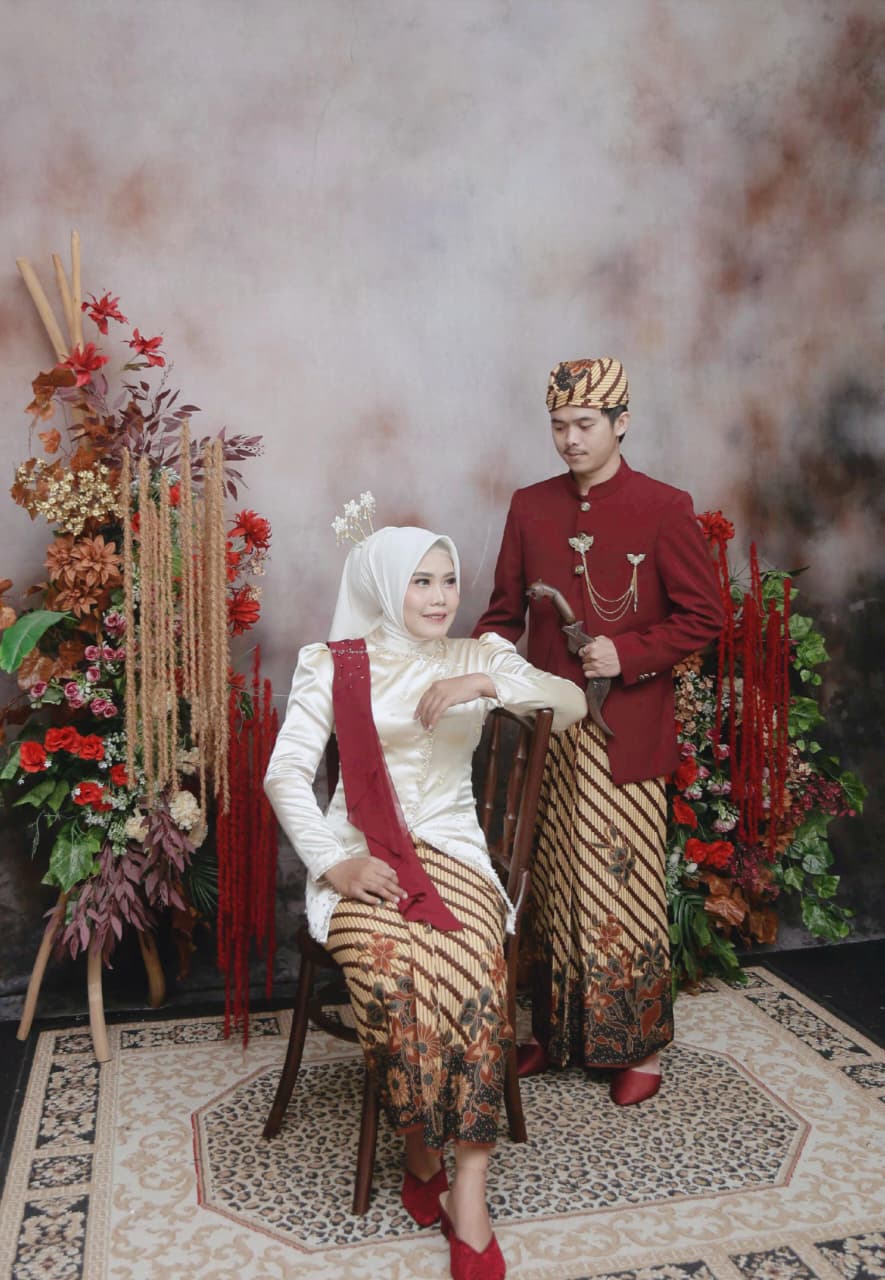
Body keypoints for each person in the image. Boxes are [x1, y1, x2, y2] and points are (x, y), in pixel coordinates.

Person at [264, 522, 586, 1280]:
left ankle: (466, 1188)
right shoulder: (334, 663)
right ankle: (418, 1148)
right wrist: (336, 863)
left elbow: (569, 699)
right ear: (384, 586)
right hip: (361, 856)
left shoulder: (478, 655)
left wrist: (484, 684)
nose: (441, 597)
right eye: (421, 581)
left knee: (473, 966)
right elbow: (285, 774)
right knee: (391, 968)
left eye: (448, 580)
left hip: (454, 852)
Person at [473, 357, 724, 1105]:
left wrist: (631, 653)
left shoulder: (663, 506)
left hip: (625, 733)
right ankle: (555, 1034)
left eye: (584, 424)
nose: (570, 439)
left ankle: (638, 1045)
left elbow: (704, 616)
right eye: (558, 426)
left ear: (621, 423)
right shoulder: (530, 506)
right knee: (550, 884)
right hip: (547, 733)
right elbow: (502, 615)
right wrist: (480, 669)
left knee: (622, 884)